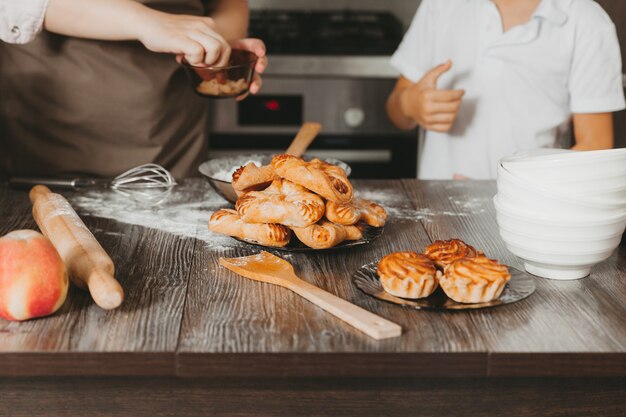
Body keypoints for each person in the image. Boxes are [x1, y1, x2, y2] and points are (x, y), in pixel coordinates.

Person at [0, 0, 266, 179]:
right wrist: (146, 21)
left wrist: (211, 44)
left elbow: (228, 3)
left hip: (172, 133)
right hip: (49, 133)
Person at [386, 0, 625, 180]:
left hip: (530, 215)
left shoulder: (587, 20)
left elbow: (595, 148)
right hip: (436, 215)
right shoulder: (440, 5)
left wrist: (508, 191)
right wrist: (410, 105)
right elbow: (396, 111)